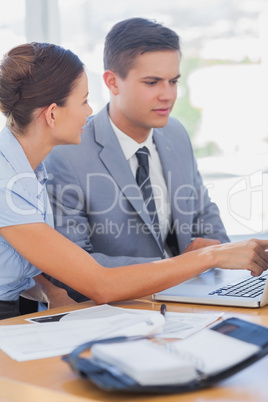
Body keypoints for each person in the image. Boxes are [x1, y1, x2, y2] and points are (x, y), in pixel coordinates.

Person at [0, 42, 268, 321]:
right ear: (52, 114)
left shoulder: (28, 167)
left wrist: (49, 292)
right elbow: (101, 285)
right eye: (83, 101)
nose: (90, 111)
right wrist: (211, 256)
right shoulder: (7, 182)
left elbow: (16, 259)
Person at [45, 18, 229, 301]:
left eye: (173, 81)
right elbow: (73, 269)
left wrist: (216, 248)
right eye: (152, 82)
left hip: (195, 299)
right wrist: (183, 266)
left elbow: (203, 212)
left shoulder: (176, 132)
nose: (167, 95)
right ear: (112, 82)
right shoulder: (66, 154)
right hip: (121, 310)